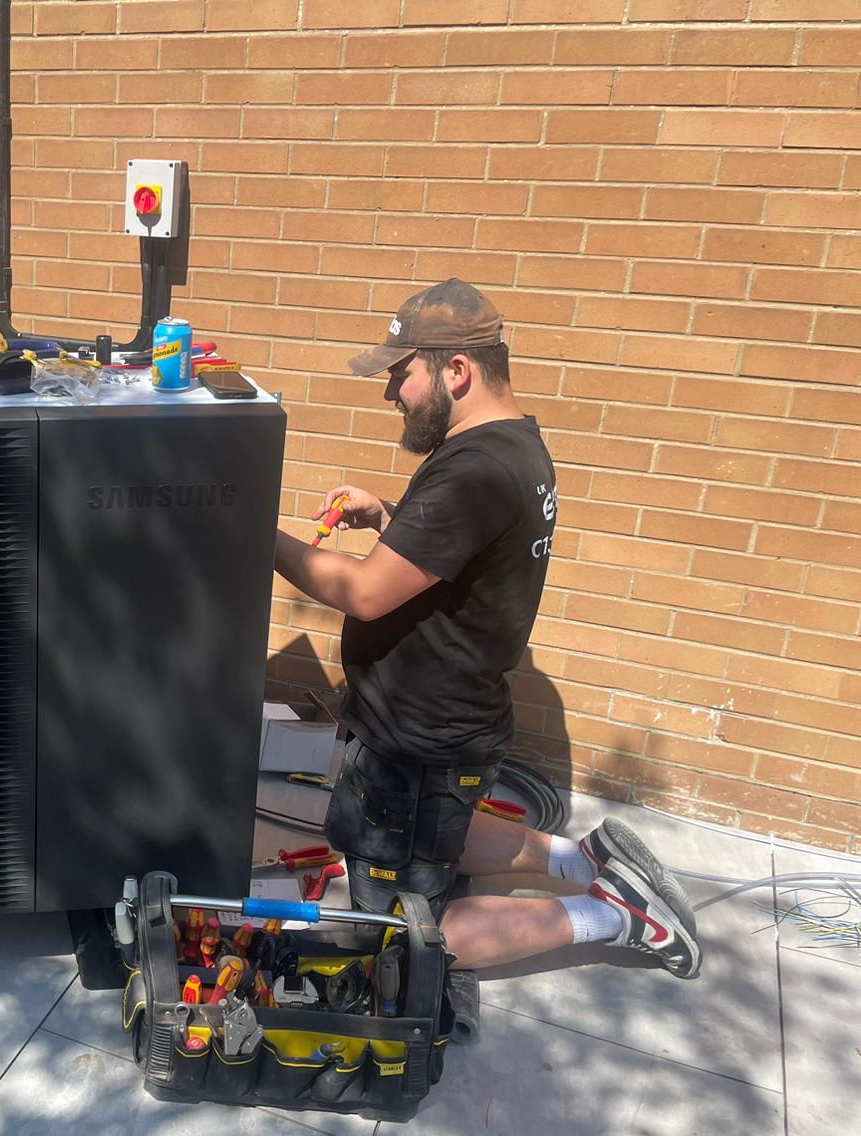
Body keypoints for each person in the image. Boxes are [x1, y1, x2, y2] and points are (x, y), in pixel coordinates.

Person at [273, 278, 701, 979]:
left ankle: (617, 916)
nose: (390, 395)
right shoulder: (514, 447)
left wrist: (256, 534)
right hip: (449, 719)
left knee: (404, 935)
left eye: (399, 375)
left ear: (456, 371)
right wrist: (387, 514)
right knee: (442, 830)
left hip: (420, 730)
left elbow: (363, 593)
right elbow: (464, 552)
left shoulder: (473, 471)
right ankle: (581, 860)